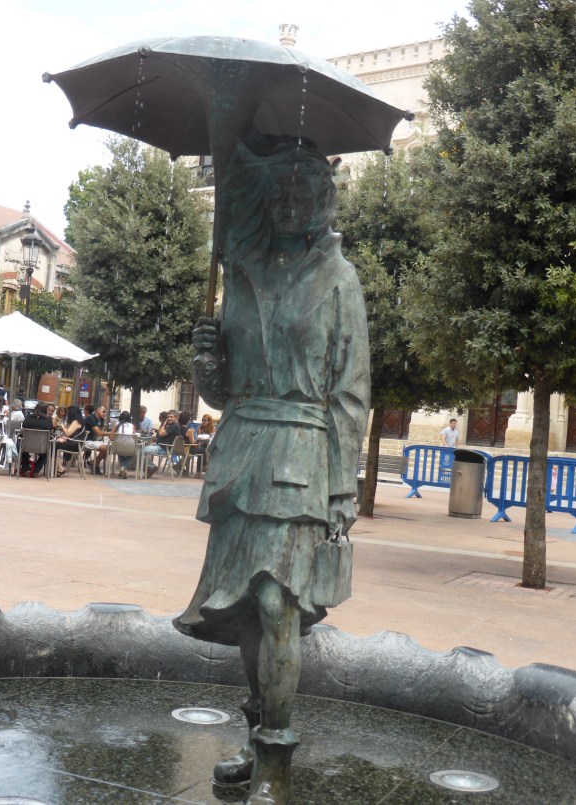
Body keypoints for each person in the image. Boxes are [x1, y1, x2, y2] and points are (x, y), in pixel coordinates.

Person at [173, 130, 370, 803]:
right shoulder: (244, 267)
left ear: (325, 199)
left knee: (274, 601)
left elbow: (350, 392)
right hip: (243, 448)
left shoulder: (340, 280)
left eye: (303, 189)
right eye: (279, 188)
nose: (288, 200)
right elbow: (225, 390)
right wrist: (206, 363)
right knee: (245, 614)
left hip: (304, 454)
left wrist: (344, 487)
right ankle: (255, 740)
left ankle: (277, 766)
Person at [144, 409, 181, 478]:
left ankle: (151, 467)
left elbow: (161, 433)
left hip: (164, 449)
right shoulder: (170, 426)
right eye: (168, 417)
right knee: (140, 449)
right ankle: (148, 467)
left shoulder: (174, 427)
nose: (169, 418)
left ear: (176, 418)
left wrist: (164, 424)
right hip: (159, 446)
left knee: (142, 450)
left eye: (171, 417)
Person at [20, 402, 53, 477]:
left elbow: (23, 428)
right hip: (42, 447)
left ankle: (26, 469)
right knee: (46, 454)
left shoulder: (28, 417)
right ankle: (36, 470)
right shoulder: (48, 420)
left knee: (20, 448)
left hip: (26, 446)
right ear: (45, 410)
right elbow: (50, 431)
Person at [55, 406, 87, 475]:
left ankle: (59, 468)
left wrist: (61, 425)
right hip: (76, 444)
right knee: (56, 443)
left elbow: (68, 433)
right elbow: (70, 435)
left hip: (76, 445)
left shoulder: (76, 422)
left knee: (55, 445)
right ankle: (57, 467)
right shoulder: (78, 421)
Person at [84, 404, 110, 475]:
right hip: (85, 441)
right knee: (105, 448)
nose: (105, 414)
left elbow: (98, 433)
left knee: (109, 448)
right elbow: (98, 433)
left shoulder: (99, 419)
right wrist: (110, 433)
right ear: (98, 411)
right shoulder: (91, 418)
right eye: (103, 412)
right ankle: (94, 464)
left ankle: (93, 463)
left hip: (93, 440)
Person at [110, 410, 136, 479]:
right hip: (130, 447)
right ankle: (124, 467)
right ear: (130, 418)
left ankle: (123, 467)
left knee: (120, 452)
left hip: (118, 447)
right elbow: (134, 436)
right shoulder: (132, 426)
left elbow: (111, 437)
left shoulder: (116, 424)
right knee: (132, 454)